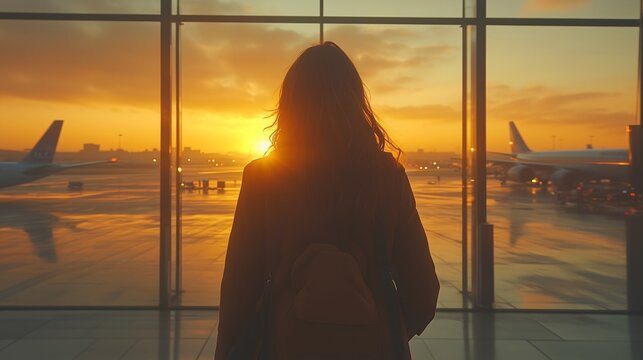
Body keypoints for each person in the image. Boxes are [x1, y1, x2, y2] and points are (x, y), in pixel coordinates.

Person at [215, 42, 439, 360]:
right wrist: (387, 328)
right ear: (355, 102)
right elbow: (424, 291)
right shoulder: (387, 176)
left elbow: (239, 289)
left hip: (287, 345)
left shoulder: (263, 177)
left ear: (290, 105)